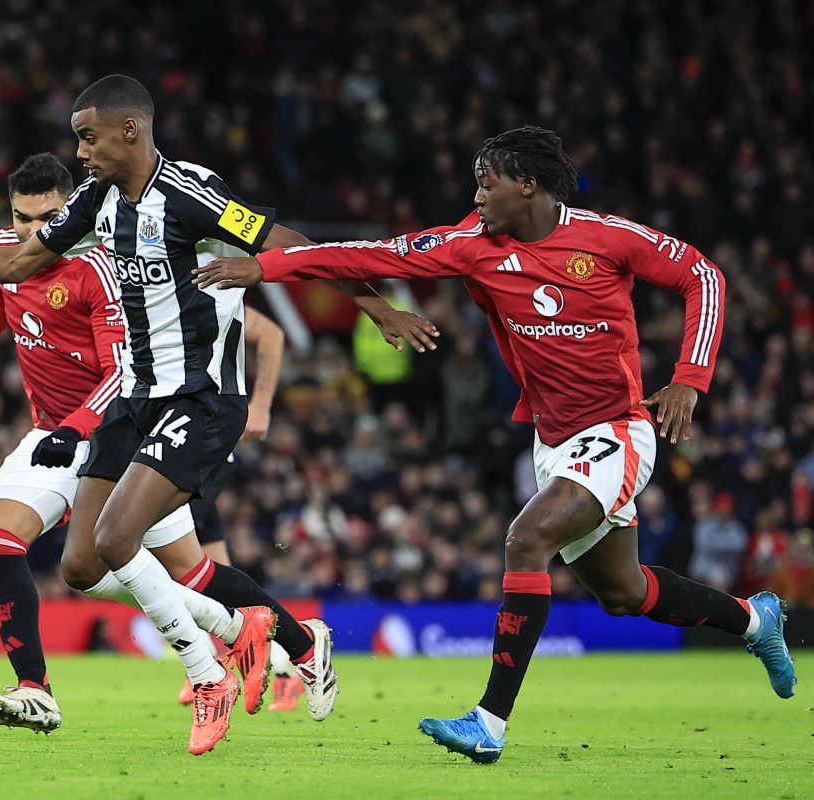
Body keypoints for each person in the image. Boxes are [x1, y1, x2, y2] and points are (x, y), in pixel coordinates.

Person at [0, 74, 439, 754]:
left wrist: (375, 305)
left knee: (116, 542)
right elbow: (19, 262)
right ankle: (278, 636)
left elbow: (288, 241)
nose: (80, 153)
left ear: (129, 132)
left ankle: (208, 678)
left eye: (88, 138)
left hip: (198, 400)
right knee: (82, 566)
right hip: (133, 401)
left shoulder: (189, 195)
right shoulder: (96, 198)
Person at [194, 125, 797, 763]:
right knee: (623, 593)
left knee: (525, 539)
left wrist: (689, 379)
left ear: (527, 184)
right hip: (554, 441)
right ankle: (755, 621)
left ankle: (489, 722)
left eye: (488, 182)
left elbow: (703, 276)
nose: (476, 195)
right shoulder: (473, 246)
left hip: (618, 430)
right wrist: (263, 266)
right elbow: (367, 255)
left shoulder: (609, 238)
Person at [0, 152, 277, 736]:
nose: (32, 233)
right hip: (51, 434)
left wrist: (77, 428)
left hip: (120, 432)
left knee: (186, 569)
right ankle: (35, 689)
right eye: (20, 218)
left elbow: (121, 369)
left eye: (46, 219)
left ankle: (270, 636)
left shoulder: (100, 264)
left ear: (70, 210)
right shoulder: (12, 250)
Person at [173, 308, 303, 712]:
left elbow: (273, 335)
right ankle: (266, 664)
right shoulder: (146, 285)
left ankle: (265, 661)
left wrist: (261, 405)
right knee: (211, 570)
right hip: (175, 435)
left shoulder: (207, 288)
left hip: (204, 437)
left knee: (167, 550)